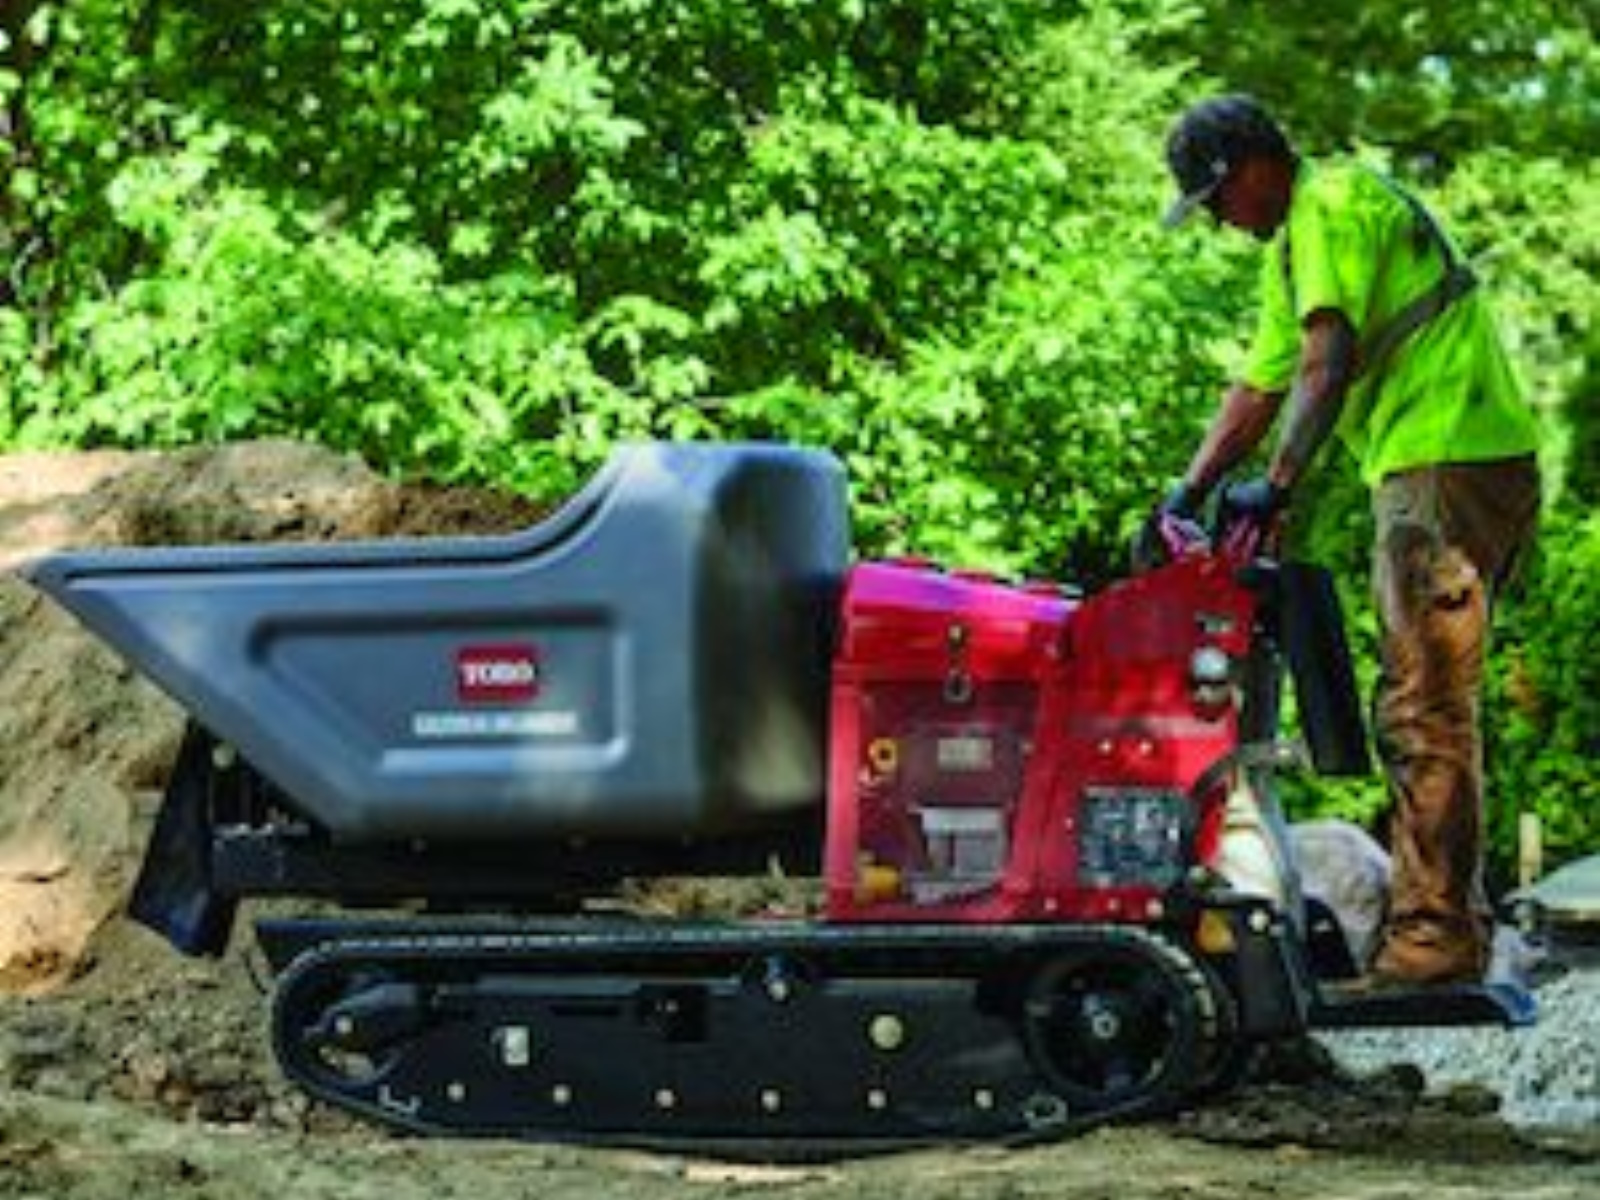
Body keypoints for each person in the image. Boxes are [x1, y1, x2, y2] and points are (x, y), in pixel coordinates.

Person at [1148, 94, 1541, 986]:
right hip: (1450, 456)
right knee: (1428, 701)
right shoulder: (1296, 243)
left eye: (1215, 199)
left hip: (1444, 453)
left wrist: (1279, 483)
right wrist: (1189, 489)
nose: (1217, 220)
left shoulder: (1327, 204)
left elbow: (1326, 361)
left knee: (1423, 704)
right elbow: (1262, 386)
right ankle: (1453, 928)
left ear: (1253, 166)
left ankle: (1434, 944)